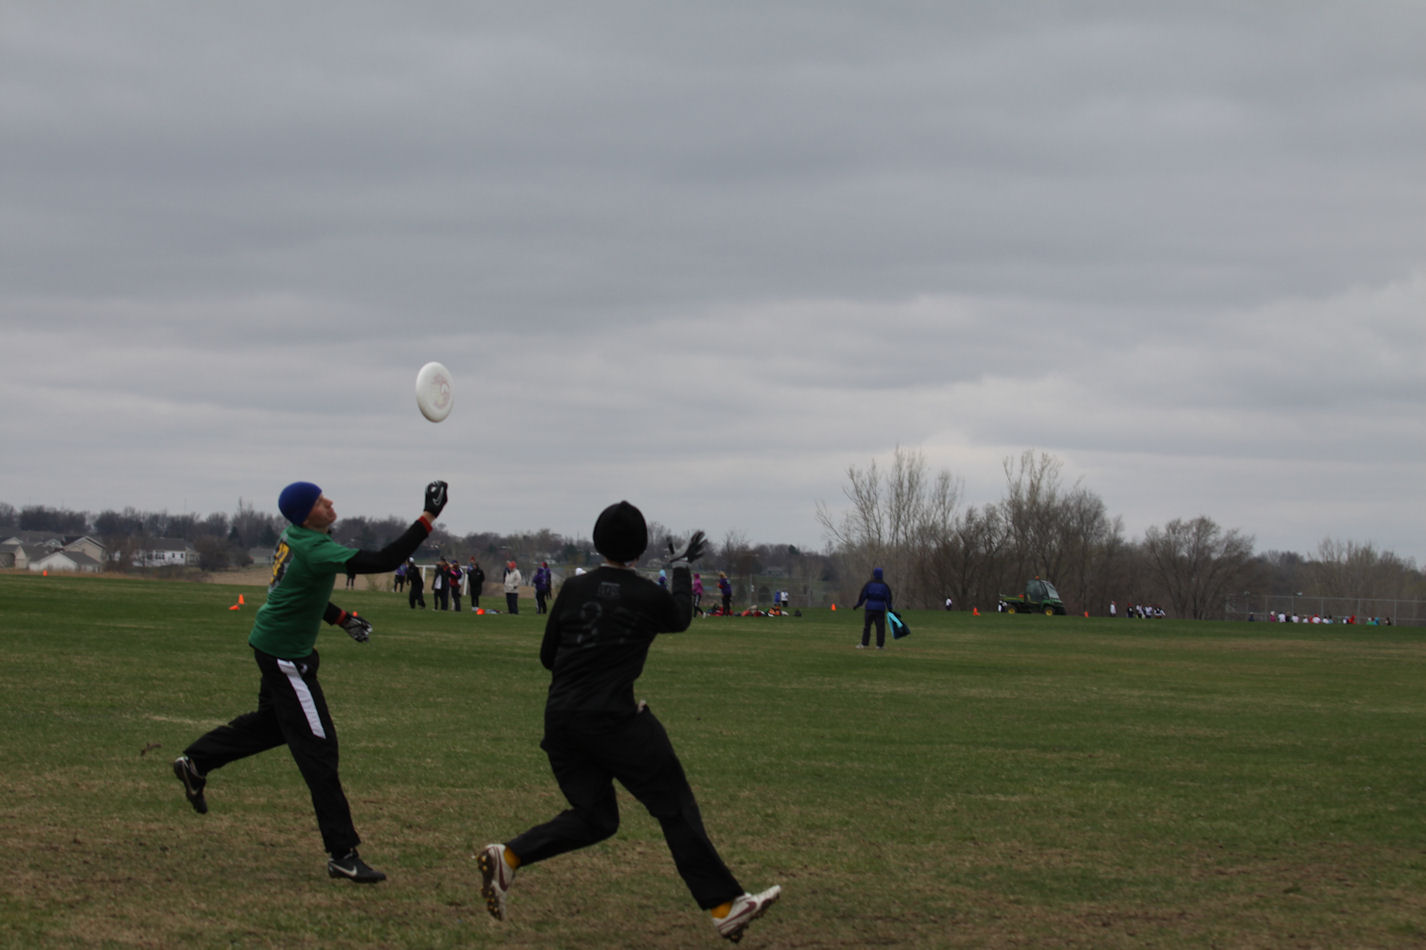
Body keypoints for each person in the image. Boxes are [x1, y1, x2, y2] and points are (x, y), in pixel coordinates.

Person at [475, 501, 780, 942]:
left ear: (598, 542)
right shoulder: (645, 595)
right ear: (640, 549)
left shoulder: (573, 590)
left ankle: (509, 858)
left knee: (597, 818)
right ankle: (724, 905)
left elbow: (548, 657)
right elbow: (680, 617)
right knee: (674, 806)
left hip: (561, 719)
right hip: (612, 719)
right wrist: (680, 569)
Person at [172, 480, 448, 883]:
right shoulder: (313, 547)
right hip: (286, 658)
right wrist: (428, 516)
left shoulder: (295, 537)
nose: (329, 502)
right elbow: (385, 559)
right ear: (305, 516)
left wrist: (341, 618)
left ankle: (197, 762)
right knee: (320, 751)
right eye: (319, 502)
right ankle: (342, 854)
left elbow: (303, 590)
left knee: (274, 726)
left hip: (273, 645)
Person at [852, 567, 892, 650]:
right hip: (880, 609)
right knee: (880, 628)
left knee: (867, 626)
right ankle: (879, 645)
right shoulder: (885, 586)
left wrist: (858, 605)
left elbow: (863, 595)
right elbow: (888, 597)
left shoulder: (869, 584)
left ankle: (864, 643)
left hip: (869, 608)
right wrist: (890, 608)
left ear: (874, 574)